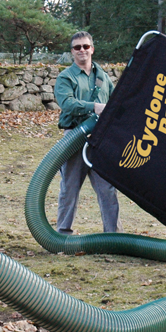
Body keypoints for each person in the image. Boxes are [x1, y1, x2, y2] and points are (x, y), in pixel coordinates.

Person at [53, 31, 121, 234]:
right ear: (72, 52)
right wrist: (95, 107)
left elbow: (115, 104)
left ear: (92, 48)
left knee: (108, 189)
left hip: (100, 141)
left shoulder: (103, 77)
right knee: (70, 189)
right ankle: (63, 235)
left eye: (85, 46)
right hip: (74, 139)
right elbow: (67, 104)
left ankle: (114, 236)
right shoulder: (66, 77)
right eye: (77, 47)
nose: (82, 50)